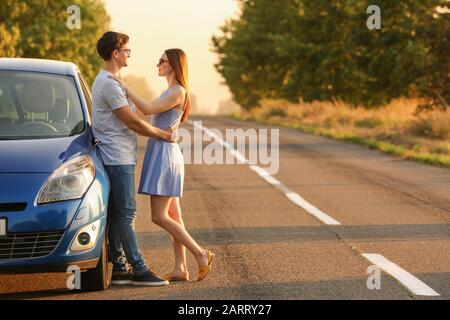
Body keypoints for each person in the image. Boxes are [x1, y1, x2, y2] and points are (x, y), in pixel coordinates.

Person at [109, 48, 215, 282]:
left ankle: (201, 254)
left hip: (165, 155)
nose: (158, 63)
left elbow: (146, 109)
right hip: (163, 152)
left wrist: (124, 86)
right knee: (174, 215)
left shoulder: (178, 92)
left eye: (163, 61)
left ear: (175, 65)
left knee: (159, 216)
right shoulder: (169, 91)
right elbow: (140, 114)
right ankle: (180, 268)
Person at [92, 31, 175, 287]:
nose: (129, 54)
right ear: (115, 53)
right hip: (116, 156)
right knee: (127, 213)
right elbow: (132, 121)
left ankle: (118, 267)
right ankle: (139, 269)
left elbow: (138, 114)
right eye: (127, 50)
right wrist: (162, 134)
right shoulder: (108, 83)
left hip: (119, 154)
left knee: (118, 213)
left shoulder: (113, 80)